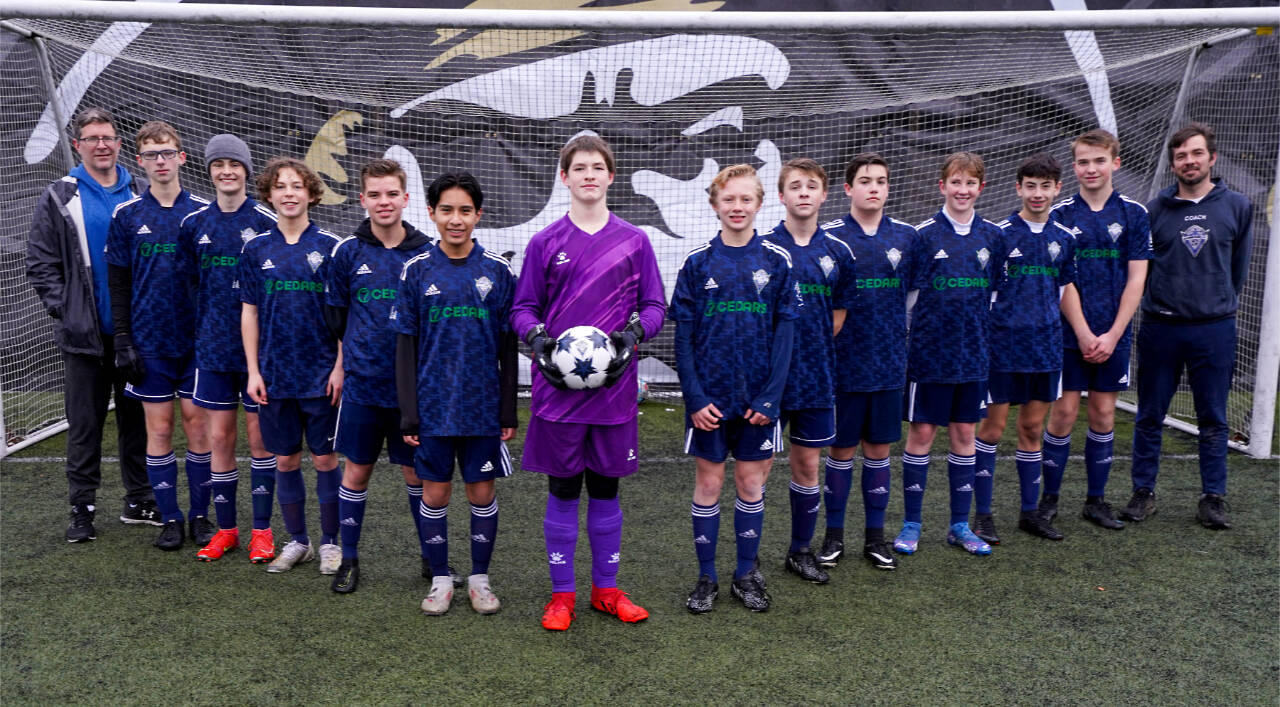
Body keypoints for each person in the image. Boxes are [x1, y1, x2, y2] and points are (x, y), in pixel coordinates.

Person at [510, 134, 666, 631]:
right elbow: (522, 309)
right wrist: (539, 344)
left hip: (613, 394)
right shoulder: (545, 242)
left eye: (598, 167)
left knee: (605, 491)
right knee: (562, 492)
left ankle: (606, 590)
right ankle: (562, 597)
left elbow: (656, 306)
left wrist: (632, 336)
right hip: (557, 396)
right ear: (565, 177)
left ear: (611, 176)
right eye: (579, 168)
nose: (589, 175)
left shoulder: (634, 240)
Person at [673, 163, 799, 613]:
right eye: (729, 199)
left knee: (750, 482)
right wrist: (695, 398)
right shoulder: (696, 264)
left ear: (760, 204)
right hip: (710, 400)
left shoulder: (777, 262)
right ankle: (706, 577)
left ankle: (745, 574)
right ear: (714, 205)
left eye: (746, 199)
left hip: (758, 401)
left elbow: (786, 335)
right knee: (709, 483)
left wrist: (771, 397)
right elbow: (682, 339)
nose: (738, 206)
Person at [26, 107, 153, 543]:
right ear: (77, 145)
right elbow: (40, 261)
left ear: (120, 145)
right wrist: (68, 310)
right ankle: (82, 509)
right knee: (84, 426)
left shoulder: (141, 192)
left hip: (135, 337)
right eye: (93, 138)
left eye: (109, 138)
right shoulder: (61, 194)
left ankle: (139, 500)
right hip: (85, 338)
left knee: (138, 423)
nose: (102, 144)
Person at [395, 170, 518, 614]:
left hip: (482, 410)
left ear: (478, 214)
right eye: (446, 210)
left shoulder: (498, 272)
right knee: (435, 494)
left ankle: (480, 580)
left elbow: (508, 348)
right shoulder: (416, 271)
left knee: (481, 493)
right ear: (430, 213)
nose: (456, 219)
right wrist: (409, 413)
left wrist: (508, 411)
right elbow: (405, 348)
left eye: (465, 210)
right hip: (432, 410)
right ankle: (442, 578)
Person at [1124, 123, 1252, 530]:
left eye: (1196, 153)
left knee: (1213, 417)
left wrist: (1213, 303)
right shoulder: (1154, 210)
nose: (1189, 161)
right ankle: (1143, 492)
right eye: (1181, 156)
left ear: (1211, 158)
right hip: (1161, 329)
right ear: (1173, 163)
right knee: (1149, 414)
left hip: (1214, 330)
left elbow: (1237, 271)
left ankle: (1213, 498)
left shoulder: (1237, 206)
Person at [324, 159, 433, 593]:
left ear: (406, 199)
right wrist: (341, 365)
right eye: (375, 194)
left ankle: (432, 558)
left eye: (392, 194)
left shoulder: (428, 252)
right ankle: (349, 559)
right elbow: (336, 320)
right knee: (356, 473)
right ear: (362, 199)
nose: (384, 202)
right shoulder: (347, 253)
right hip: (364, 386)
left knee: (418, 476)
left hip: (412, 392)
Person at [104, 120, 212, 551]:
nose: (161, 161)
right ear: (140, 162)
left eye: (167, 152)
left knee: (197, 428)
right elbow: (118, 283)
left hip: (197, 343)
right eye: (152, 155)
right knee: (160, 429)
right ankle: (170, 517)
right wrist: (123, 340)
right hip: (149, 344)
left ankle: (202, 517)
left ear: (182, 157)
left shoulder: (204, 213)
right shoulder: (127, 215)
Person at [238, 157, 344, 574]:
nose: (288, 193)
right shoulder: (256, 248)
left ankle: (331, 543)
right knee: (284, 460)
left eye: (297, 186)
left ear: (311, 194)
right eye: (280, 186)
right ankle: (298, 540)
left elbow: (341, 316)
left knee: (325, 460)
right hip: (275, 375)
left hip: (321, 375)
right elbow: (249, 313)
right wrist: (253, 370)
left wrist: (339, 367)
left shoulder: (332, 248)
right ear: (269, 194)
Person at [897, 152, 1005, 557]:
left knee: (965, 436)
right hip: (928, 357)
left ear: (981, 188)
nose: (963, 190)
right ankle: (912, 524)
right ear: (942, 186)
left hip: (973, 358)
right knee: (922, 435)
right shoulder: (923, 236)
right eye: (955, 183)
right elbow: (908, 301)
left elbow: (992, 297)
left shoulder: (993, 237)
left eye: (970, 183)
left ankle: (960, 525)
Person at [1045, 130, 1152, 530]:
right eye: (1084, 162)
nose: (1092, 168)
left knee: (1104, 413)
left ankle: (1096, 500)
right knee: (1065, 413)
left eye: (1099, 160)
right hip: (1069, 334)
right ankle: (1049, 500)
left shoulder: (1134, 214)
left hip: (1114, 335)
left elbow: (1136, 279)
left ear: (1115, 163)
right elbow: (1061, 281)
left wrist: (1111, 334)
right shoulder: (1060, 215)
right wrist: (1085, 332)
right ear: (1074, 167)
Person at [182, 134, 280, 562]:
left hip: (256, 354)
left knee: (260, 440)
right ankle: (226, 530)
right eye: (219, 164)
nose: (227, 171)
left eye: (234, 164)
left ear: (246, 171)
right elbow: (188, 287)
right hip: (213, 350)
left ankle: (262, 531)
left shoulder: (265, 221)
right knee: (219, 437)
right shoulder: (194, 224)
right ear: (209, 171)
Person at [818, 153, 918, 570]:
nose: (873, 187)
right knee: (841, 451)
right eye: (864, 180)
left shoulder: (908, 237)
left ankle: (875, 538)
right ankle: (834, 536)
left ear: (888, 188)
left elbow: (912, 296)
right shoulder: (831, 238)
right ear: (848, 189)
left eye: (880, 180)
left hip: (888, 365)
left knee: (878, 452)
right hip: (843, 366)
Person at [974, 154, 1077, 543]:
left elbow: (1065, 290)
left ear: (1057, 189)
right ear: (1018, 188)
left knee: (1032, 428)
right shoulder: (1000, 235)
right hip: (1002, 348)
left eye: (1045, 186)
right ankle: (983, 515)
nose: (1038, 193)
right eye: (1030, 185)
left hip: (1047, 348)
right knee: (992, 428)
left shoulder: (1065, 239)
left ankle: (1030, 512)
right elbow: (986, 293)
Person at [763, 158, 855, 584]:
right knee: (757, 468)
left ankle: (800, 551)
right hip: (769, 380)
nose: (803, 192)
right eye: (795, 186)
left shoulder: (838, 252)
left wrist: (809, 348)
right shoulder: (763, 250)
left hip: (817, 376)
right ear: (781, 196)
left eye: (811, 186)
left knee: (807, 467)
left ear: (824, 194)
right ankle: (751, 557)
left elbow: (837, 316)